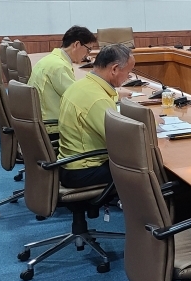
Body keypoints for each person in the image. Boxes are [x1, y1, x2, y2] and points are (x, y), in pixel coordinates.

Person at [57, 44, 136, 188]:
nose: (128, 77)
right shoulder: (98, 100)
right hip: (83, 170)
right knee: (147, 171)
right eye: (128, 72)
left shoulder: (80, 86)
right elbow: (120, 144)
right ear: (114, 69)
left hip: (68, 163)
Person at [27, 25, 98, 133]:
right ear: (77, 45)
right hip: (53, 128)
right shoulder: (59, 66)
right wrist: (112, 95)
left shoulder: (50, 60)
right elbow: (79, 99)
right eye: (88, 50)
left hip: (42, 124)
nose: (87, 55)